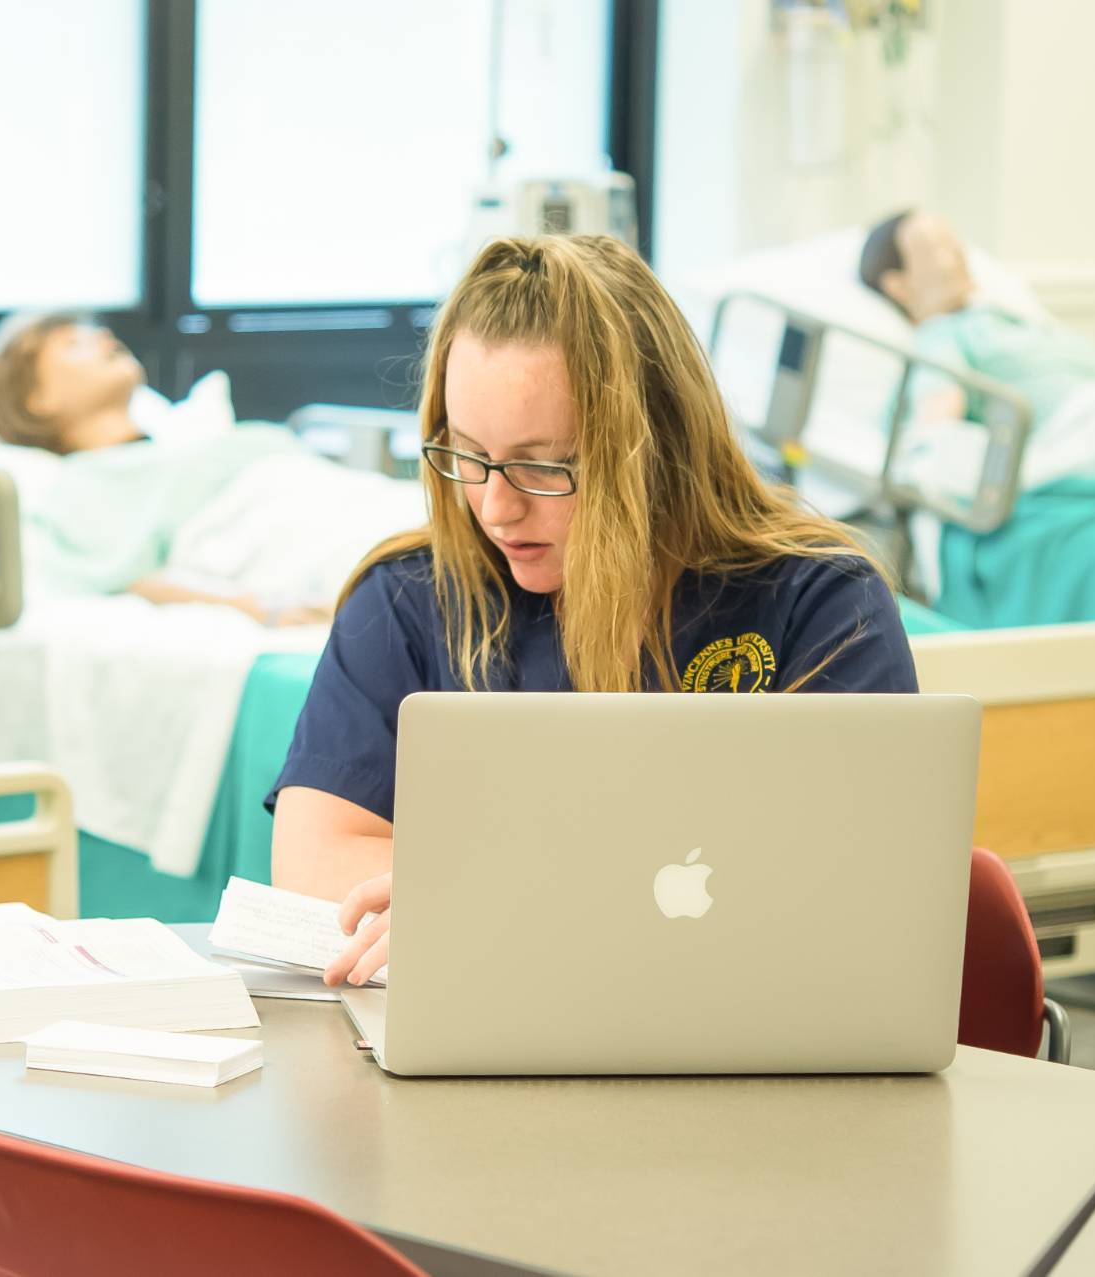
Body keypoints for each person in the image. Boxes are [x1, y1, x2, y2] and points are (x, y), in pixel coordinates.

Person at [265, 234, 919, 987]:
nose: (495, 506)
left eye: (543, 466)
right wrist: (550, 908)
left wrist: (503, 905)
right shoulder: (411, 600)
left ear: (659, 446)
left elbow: (850, 889)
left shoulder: (821, 605)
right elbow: (316, 860)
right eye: (467, 454)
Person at [0, 310, 329, 626]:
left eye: (94, 332)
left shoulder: (189, 448)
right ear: (38, 399)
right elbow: (118, 578)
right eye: (72, 343)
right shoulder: (85, 482)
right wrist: (247, 605)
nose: (103, 337)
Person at [858, 209, 1095, 429]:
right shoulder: (938, 336)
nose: (959, 252)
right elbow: (935, 427)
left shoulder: (998, 318)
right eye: (938, 248)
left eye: (954, 241)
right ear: (900, 287)